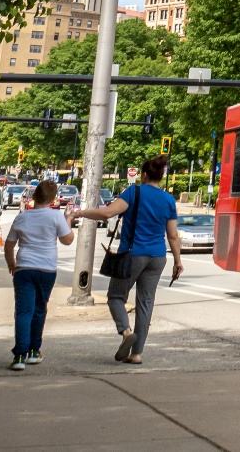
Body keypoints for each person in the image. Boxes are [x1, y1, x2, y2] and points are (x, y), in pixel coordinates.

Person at [74, 155, 183, 364]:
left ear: (144, 175)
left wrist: (80, 213)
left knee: (116, 296)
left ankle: (125, 332)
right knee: (146, 303)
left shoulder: (134, 192)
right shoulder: (168, 199)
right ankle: (136, 353)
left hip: (133, 254)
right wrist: (178, 261)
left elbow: (107, 213)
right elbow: (172, 235)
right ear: (160, 177)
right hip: (158, 257)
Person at [3, 179, 75, 370]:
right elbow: (67, 240)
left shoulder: (22, 217)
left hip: (24, 268)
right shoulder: (56, 216)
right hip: (47, 269)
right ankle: (34, 351)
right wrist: (68, 219)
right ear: (53, 198)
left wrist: (11, 264)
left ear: (35, 196)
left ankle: (19, 355)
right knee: (39, 309)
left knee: (23, 311)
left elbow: (9, 245)